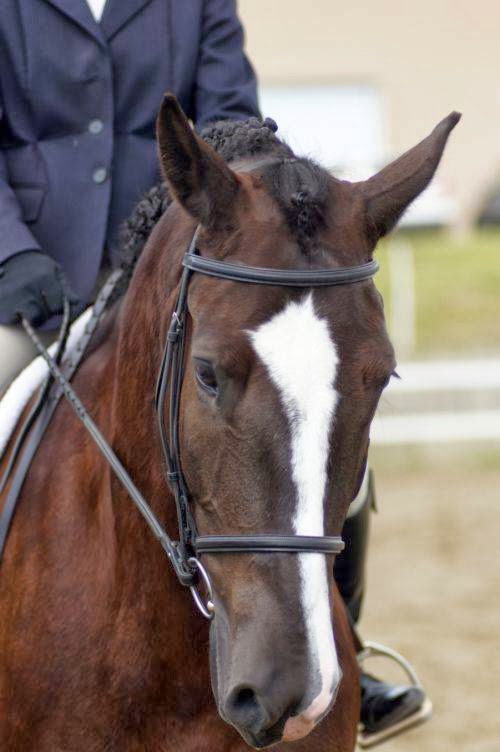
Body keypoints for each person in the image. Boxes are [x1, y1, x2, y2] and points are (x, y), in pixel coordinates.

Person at [0, 0, 427, 743]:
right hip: (36, 277)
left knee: (318, 440)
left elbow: (232, 121)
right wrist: (10, 250)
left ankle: (342, 644)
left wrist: (247, 220)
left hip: (186, 270)